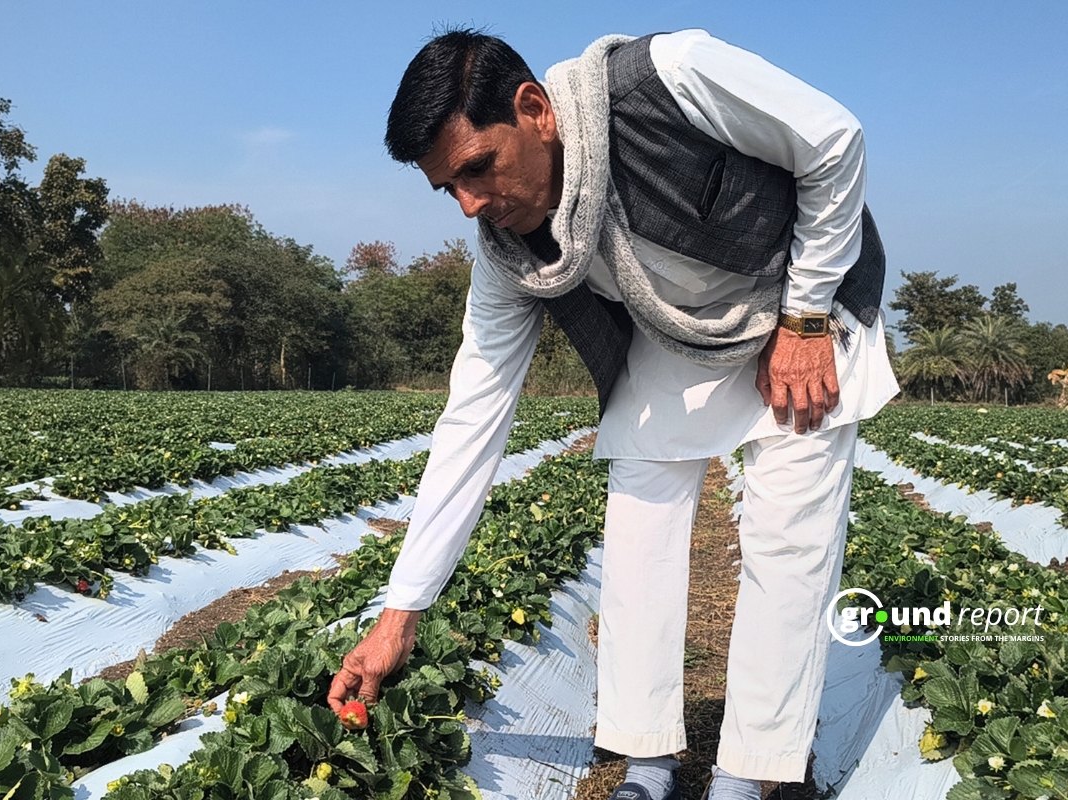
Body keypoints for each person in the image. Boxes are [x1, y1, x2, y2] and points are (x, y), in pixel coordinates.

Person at [328, 27, 899, 800]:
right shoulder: (508, 254)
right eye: (448, 190)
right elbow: (473, 417)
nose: (470, 206)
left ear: (535, 110)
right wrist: (401, 615)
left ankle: (744, 776)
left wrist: (803, 317)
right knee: (637, 534)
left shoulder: (669, 75)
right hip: (673, 329)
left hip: (796, 301)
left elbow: (834, 141)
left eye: (477, 168)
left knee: (789, 545)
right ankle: (647, 764)